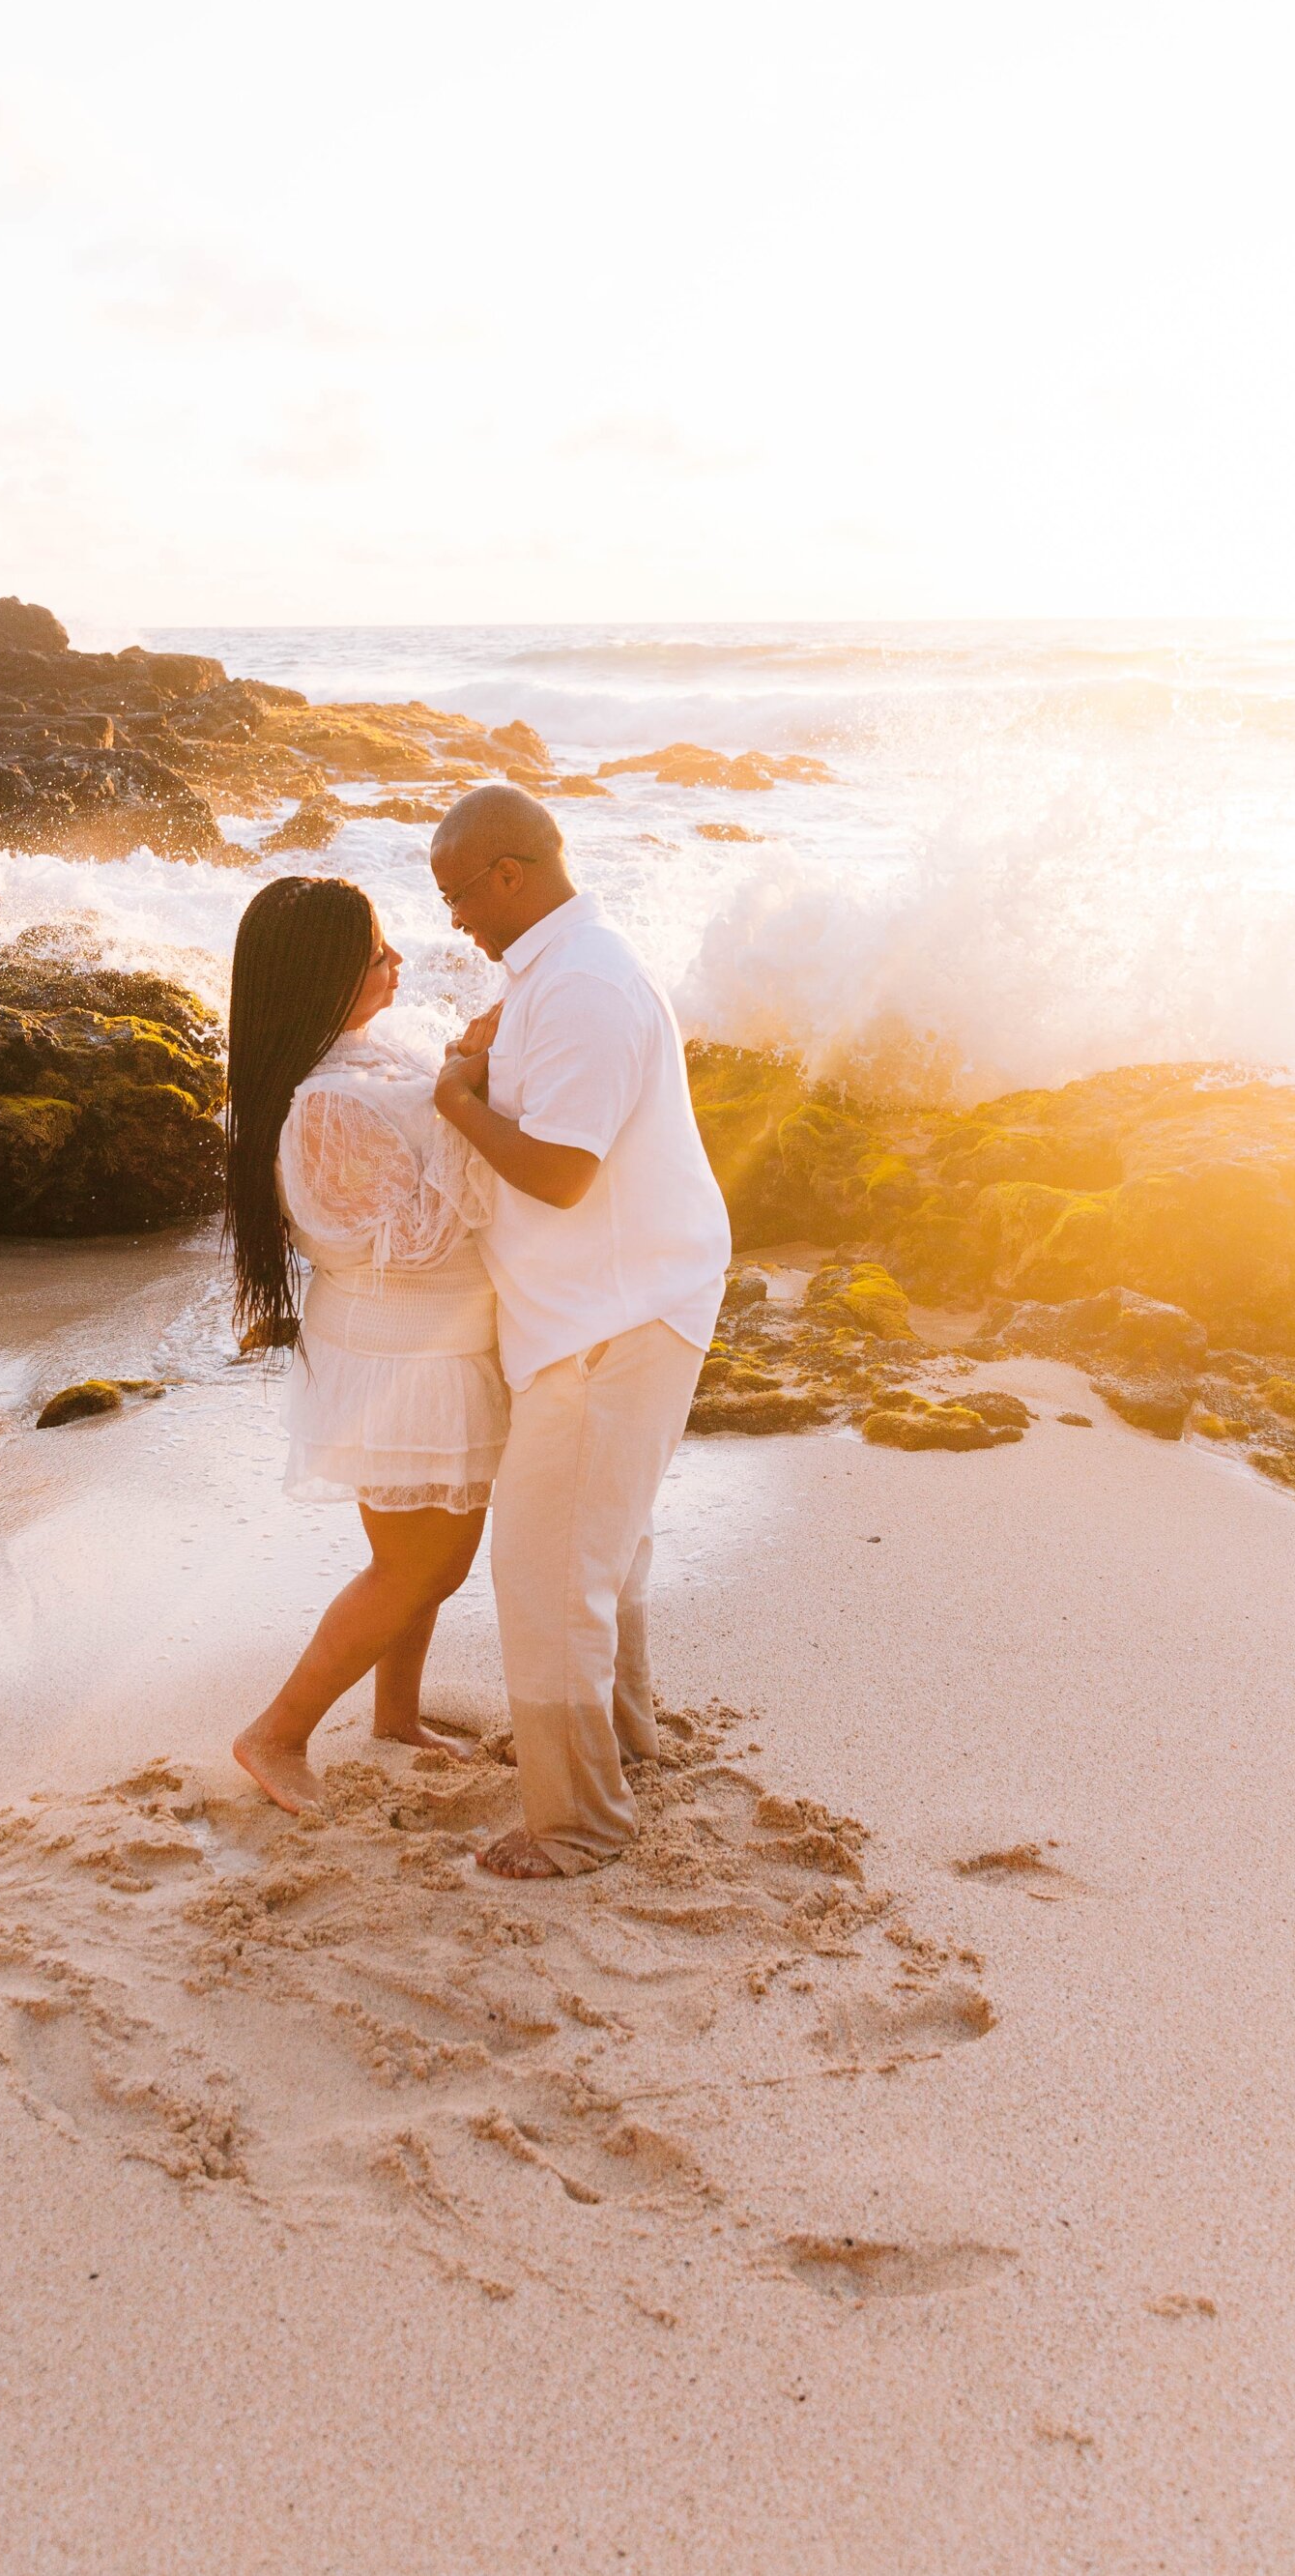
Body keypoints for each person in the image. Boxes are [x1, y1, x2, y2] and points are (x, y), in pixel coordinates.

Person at [431, 785, 732, 1878]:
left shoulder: (585, 985)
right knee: (599, 1549)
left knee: (546, 1565)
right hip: (612, 1298)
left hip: (615, 1310)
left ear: (509, 874)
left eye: (458, 894)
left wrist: (455, 1100)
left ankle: (577, 1824)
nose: (452, 918)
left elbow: (559, 1171)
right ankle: (625, 1747)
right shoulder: (556, 972)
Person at [227, 874, 507, 1815]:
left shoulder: (367, 1054)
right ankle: (276, 1734)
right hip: (402, 1357)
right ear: (320, 974)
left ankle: (395, 1716)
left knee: (428, 1555)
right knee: (416, 1562)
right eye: (373, 951)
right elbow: (411, 1238)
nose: (396, 960)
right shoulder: (324, 1105)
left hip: (427, 1346)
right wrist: (469, 1111)